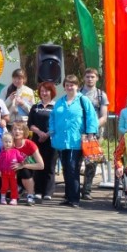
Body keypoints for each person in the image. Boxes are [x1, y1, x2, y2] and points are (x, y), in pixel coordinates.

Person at [49, 74, 99, 208]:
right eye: (67, 85)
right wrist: (52, 131)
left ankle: (75, 198)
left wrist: (90, 133)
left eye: (72, 85)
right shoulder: (60, 101)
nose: (69, 87)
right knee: (66, 169)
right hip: (61, 140)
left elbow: (91, 117)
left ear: (77, 86)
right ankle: (68, 196)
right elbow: (52, 117)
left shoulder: (83, 100)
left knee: (72, 169)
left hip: (76, 140)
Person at [79, 68, 109, 200]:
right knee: (76, 162)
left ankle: (86, 190)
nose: (90, 79)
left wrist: (91, 128)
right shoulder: (78, 93)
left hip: (94, 134)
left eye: (92, 77)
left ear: (97, 78)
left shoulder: (101, 95)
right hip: (78, 133)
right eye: (87, 77)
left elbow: (104, 116)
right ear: (84, 78)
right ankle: (74, 189)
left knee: (91, 163)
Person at [27, 81, 57, 202]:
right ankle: (38, 191)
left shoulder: (56, 106)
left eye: (47, 90)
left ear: (52, 92)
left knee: (50, 166)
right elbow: (30, 124)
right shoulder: (35, 107)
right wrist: (39, 133)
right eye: (42, 91)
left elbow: (57, 124)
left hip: (51, 140)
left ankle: (48, 192)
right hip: (37, 140)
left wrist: (47, 134)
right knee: (38, 165)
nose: (44, 93)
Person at [8, 121, 43, 206]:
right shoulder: (8, 143)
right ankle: (16, 190)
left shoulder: (30, 144)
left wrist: (22, 165)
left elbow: (41, 165)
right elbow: (1, 161)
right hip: (12, 171)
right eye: (15, 129)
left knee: (24, 171)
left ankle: (30, 195)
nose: (17, 132)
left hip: (29, 171)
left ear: (24, 131)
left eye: (20, 129)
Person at [0, 133, 24, 205]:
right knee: (4, 186)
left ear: (12, 143)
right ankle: (3, 197)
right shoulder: (2, 153)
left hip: (13, 173)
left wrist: (23, 160)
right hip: (4, 173)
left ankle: (14, 198)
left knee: (13, 186)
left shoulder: (16, 151)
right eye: (6, 142)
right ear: (2, 143)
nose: (8, 144)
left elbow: (21, 159)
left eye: (9, 142)